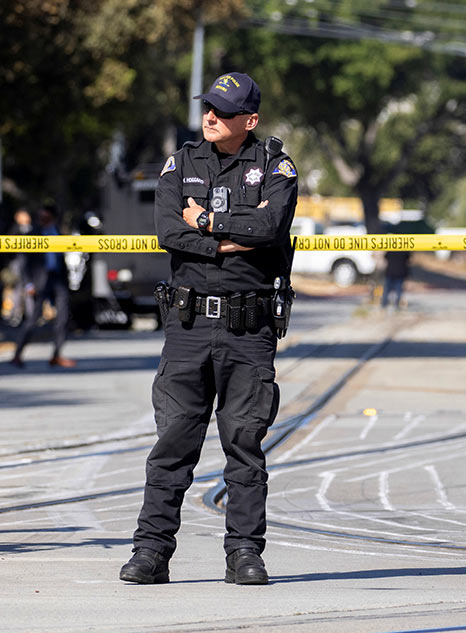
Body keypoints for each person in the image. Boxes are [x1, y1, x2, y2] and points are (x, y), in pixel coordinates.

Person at [119, 72, 298, 585]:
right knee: (173, 442)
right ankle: (151, 552)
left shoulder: (275, 166)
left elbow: (269, 230)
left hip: (248, 328)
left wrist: (206, 222)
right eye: (208, 108)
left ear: (251, 120)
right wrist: (228, 237)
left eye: (222, 111)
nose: (210, 117)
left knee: (244, 442)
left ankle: (244, 552)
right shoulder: (182, 162)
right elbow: (166, 232)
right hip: (188, 324)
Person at [10, 204, 75, 369]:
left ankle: (56, 355)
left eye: (45, 216)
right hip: (39, 282)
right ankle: (17, 355)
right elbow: (24, 263)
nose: (42, 219)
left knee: (63, 318)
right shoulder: (32, 235)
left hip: (58, 279)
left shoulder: (58, 233)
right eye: (40, 216)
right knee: (32, 320)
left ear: (52, 217)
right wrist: (28, 284)